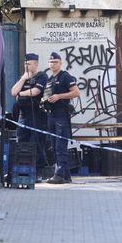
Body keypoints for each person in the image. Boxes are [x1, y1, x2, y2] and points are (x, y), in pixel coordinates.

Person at [10, 53, 49, 181]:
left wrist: (20, 93)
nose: (26, 66)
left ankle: (38, 172)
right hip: (23, 115)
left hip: (37, 115)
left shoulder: (42, 76)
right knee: (22, 142)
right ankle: (23, 171)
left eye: (29, 64)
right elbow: (12, 92)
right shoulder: (23, 78)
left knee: (37, 143)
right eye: (25, 63)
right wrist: (22, 79)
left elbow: (36, 92)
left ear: (36, 64)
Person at [43, 51, 80, 184]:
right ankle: (65, 176)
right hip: (51, 115)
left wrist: (59, 96)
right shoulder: (49, 79)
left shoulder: (65, 76)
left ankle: (59, 175)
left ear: (61, 63)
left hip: (61, 115)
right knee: (54, 146)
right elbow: (46, 95)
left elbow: (76, 93)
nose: (53, 64)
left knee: (60, 147)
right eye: (51, 62)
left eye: (55, 62)